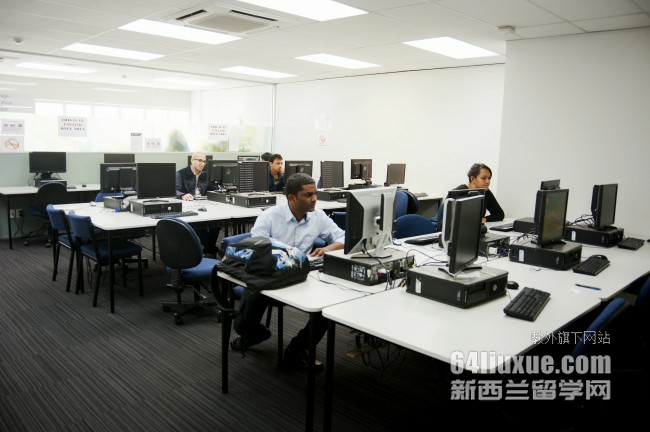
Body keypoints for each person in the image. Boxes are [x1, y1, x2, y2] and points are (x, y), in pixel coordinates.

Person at [231, 172, 345, 370]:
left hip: (302, 276)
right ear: (292, 198)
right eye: (308, 195)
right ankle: (253, 334)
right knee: (242, 325)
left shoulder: (318, 216)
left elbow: (343, 238)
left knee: (328, 308)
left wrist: (328, 248)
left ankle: (297, 349)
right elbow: (256, 248)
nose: (314, 199)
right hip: (271, 277)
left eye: (315, 194)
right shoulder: (269, 217)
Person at [433, 162, 505, 230]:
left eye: (489, 178)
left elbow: (499, 214)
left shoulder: (486, 192)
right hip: (455, 232)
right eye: (483, 178)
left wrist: (484, 219)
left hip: (472, 230)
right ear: (472, 178)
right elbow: (444, 223)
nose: (488, 181)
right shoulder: (457, 193)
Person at [175, 152, 219, 255]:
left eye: (204, 161)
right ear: (192, 161)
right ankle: (210, 249)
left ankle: (208, 248)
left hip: (204, 205)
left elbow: (214, 189)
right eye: (199, 160)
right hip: (188, 207)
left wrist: (220, 188)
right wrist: (182, 195)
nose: (202, 164)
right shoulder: (181, 174)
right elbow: (174, 190)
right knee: (200, 223)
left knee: (217, 223)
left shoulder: (206, 175)